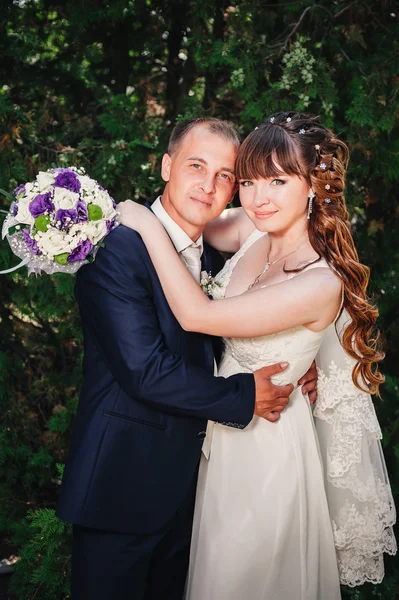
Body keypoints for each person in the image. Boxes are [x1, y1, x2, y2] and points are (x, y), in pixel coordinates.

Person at [118, 111, 397, 599]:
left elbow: (198, 316)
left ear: (313, 184)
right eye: (247, 181)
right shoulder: (252, 233)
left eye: (277, 180)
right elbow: (195, 223)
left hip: (266, 451)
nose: (258, 197)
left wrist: (142, 221)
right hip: (220, 438)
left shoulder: (320, 281)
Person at [56, 117, 318, 600]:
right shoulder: (117, 247)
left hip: (199, 490)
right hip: (124, 486)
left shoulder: (226, 255)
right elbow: (144, 370)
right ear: (165, 165)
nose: (210, 184)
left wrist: (304, 354)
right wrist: (244, 396)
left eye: (225, 175)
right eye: (197, 166)